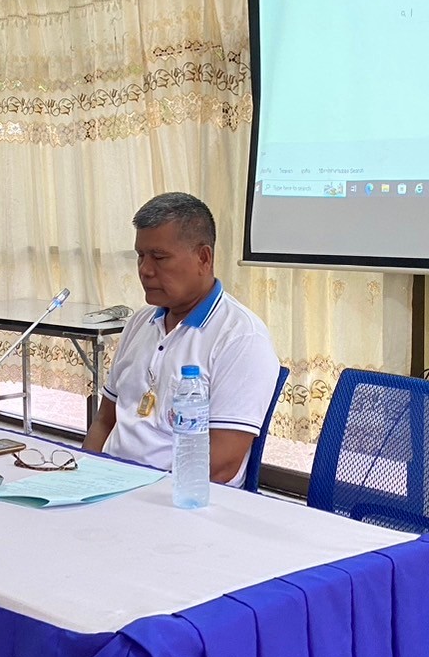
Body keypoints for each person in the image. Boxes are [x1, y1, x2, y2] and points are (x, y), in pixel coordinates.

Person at [84, 192, 281, 484]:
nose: (145, 270)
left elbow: (221, 465)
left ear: (203, 258)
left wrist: (137, 496)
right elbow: (104, 421)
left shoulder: (241, 338)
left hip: (179, 497)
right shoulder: (140, 322)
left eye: (159, 258)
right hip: (108, 485)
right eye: (140, 256)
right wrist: (83, 478)